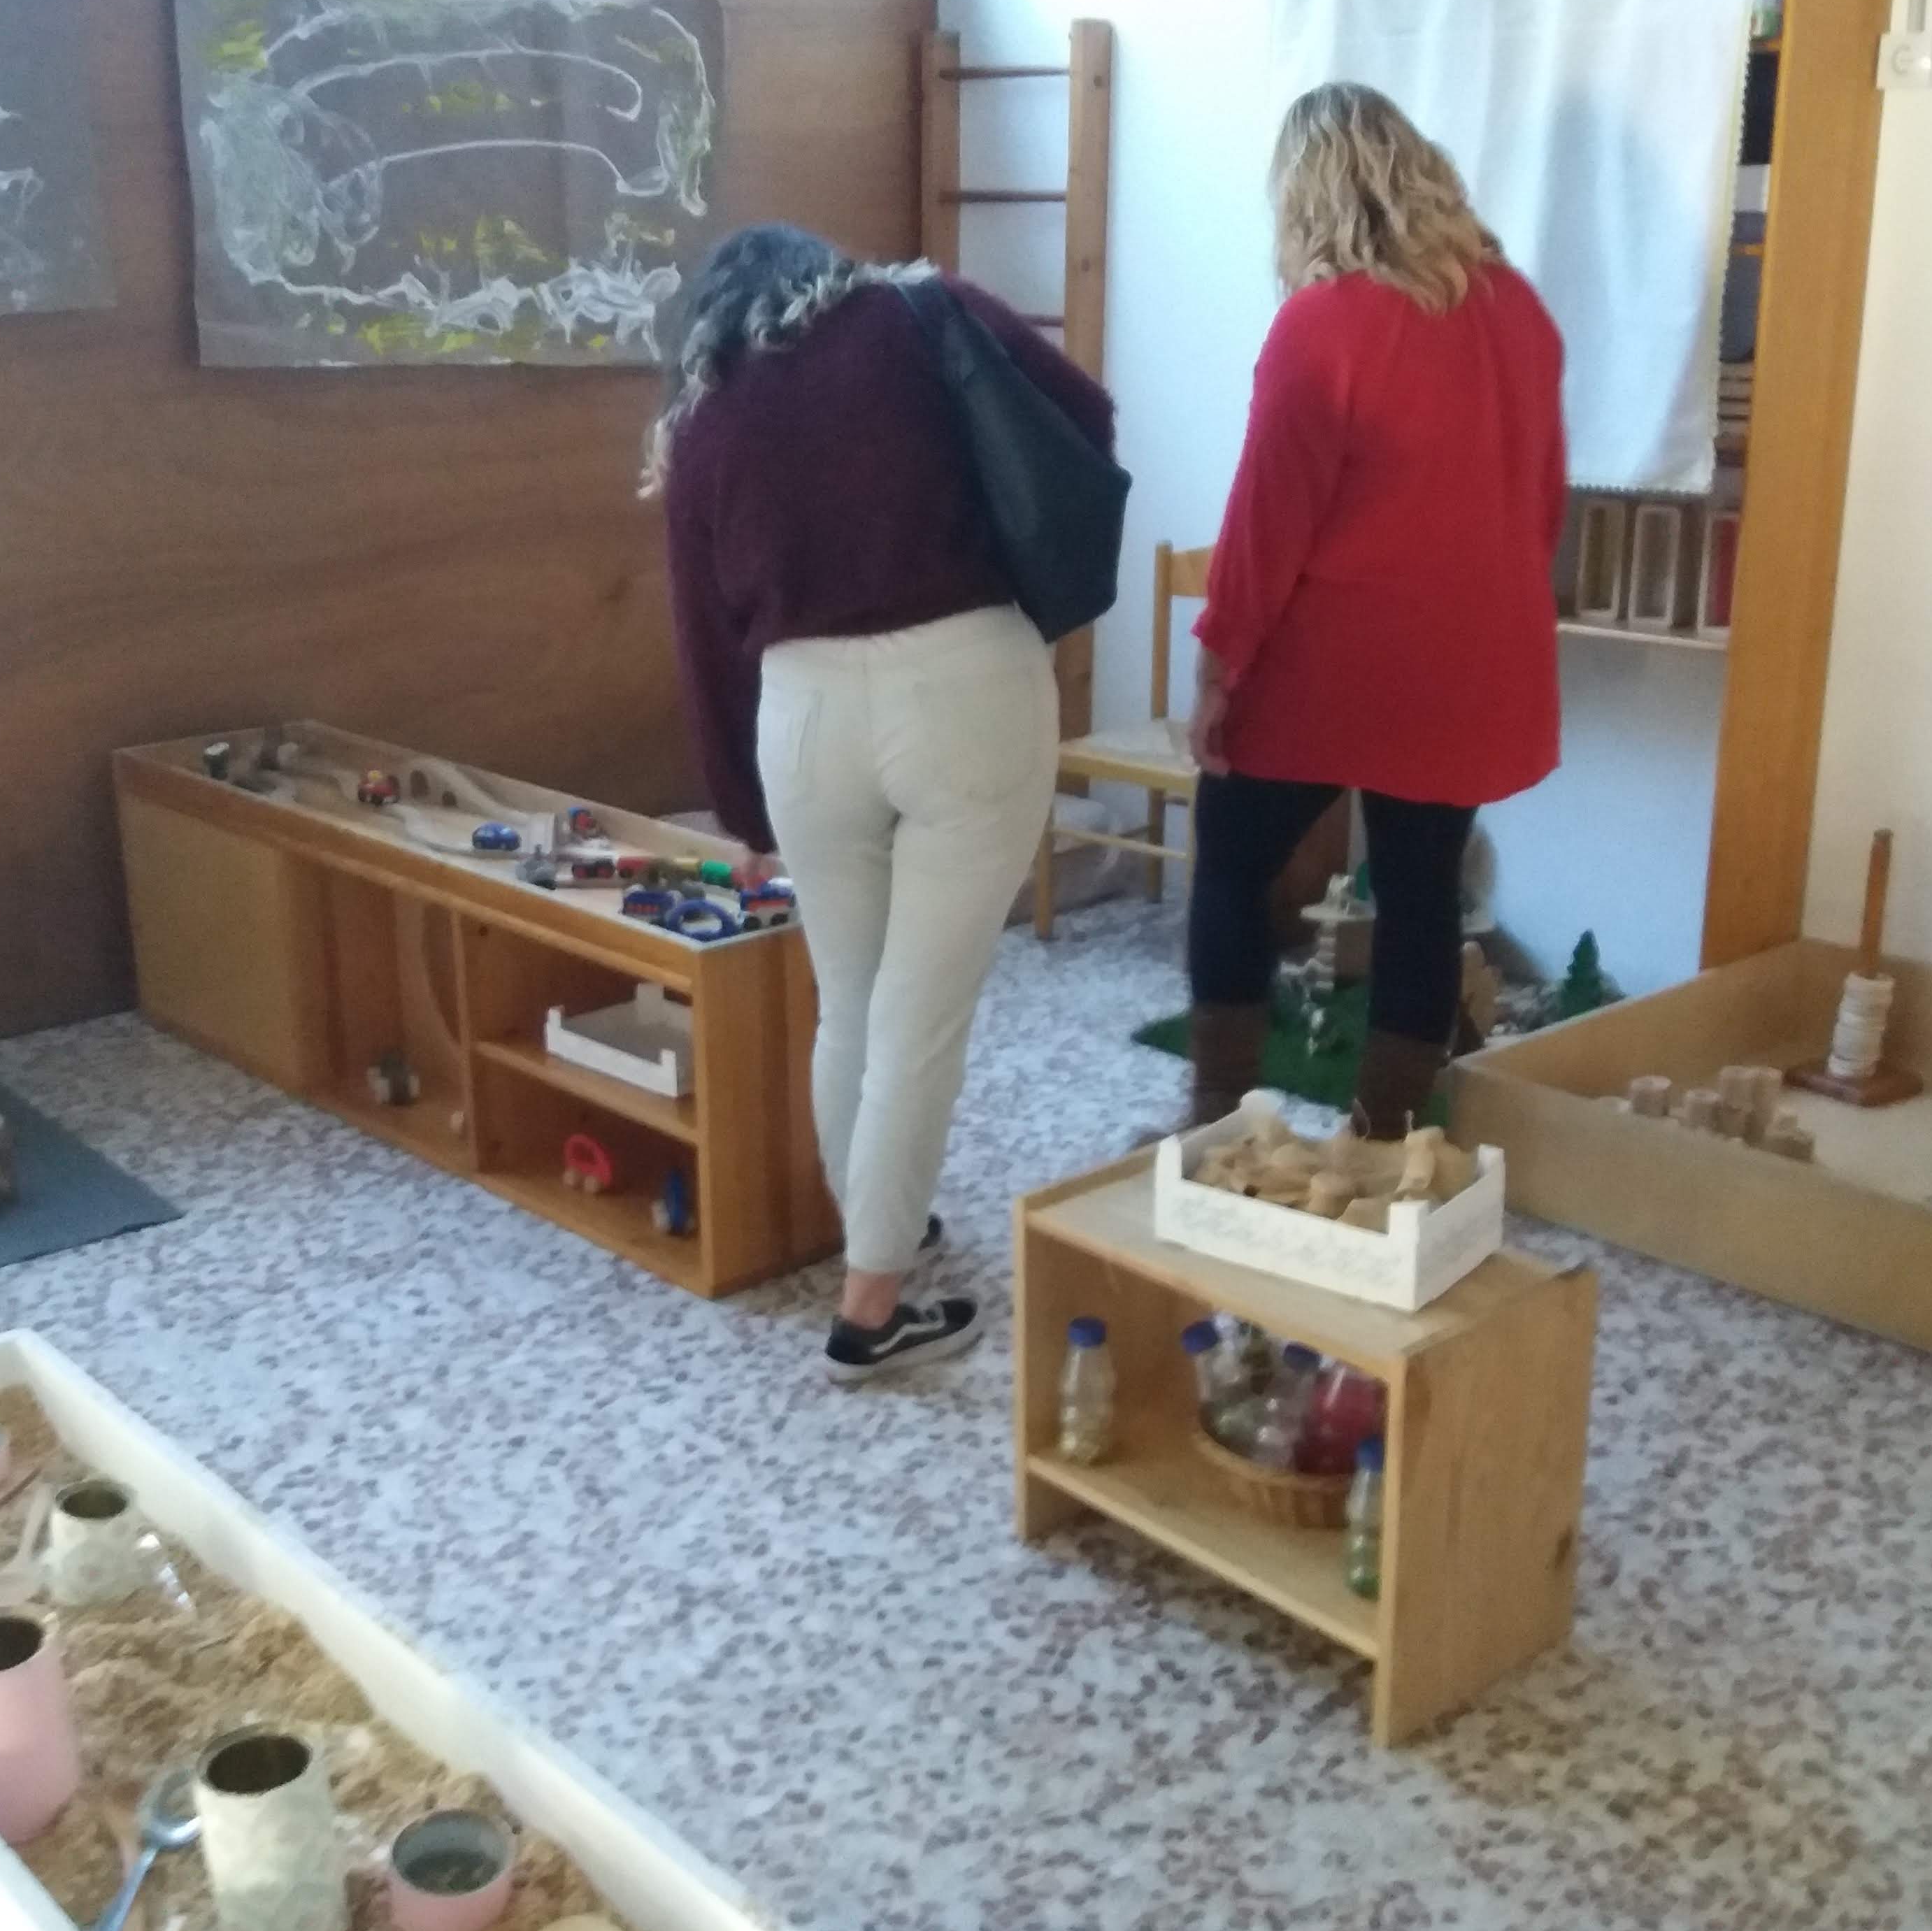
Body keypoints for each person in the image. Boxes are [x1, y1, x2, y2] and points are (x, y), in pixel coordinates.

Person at [647, 224, 1117, 1383]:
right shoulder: (920, 311)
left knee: (852, 1003)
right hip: (967, 688)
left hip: (802, 715)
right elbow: (1084, 417)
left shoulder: (707, 412)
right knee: (921, 1016)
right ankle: (870, 1311)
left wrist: (744, 817)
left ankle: (878, 1226)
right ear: (826, 271)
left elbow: (703, 638)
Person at [1175, 83, 1567, 1138]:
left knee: (1232, 856)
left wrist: (1218, 667)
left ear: (1309, 196)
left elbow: (1266, 524)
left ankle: (1219, 1122)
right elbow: (1541, 503)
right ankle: (1386, 1138)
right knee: (1422, 888)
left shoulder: (1321, 325)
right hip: (1474, 660)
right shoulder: (1520, 313)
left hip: (1334, 660)